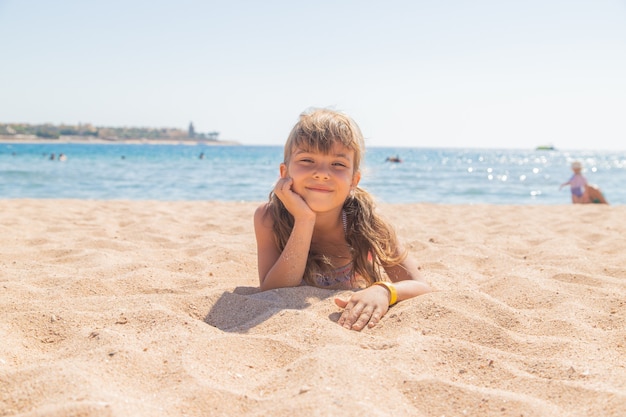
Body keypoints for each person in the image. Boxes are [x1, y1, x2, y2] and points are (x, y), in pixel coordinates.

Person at [254, 108, 432, 331]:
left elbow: (421, 287)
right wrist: (304, 220)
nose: (321, 173)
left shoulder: (367, 223)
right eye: (307, 160)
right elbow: (274, 289)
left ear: (353, 180)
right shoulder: (268, 217)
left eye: (338, 164)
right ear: (284, 172)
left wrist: (384, 290)